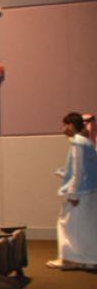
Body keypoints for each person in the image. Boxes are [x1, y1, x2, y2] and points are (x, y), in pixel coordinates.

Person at [49, 110, 97, 269]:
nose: (63, 129)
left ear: (70, 125)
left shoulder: (77, 142)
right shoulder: (87, 142)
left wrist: (73, 194)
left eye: (65, 125)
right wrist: (65, 173)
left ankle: (69, 259)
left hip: (80, 193)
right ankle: (89, 259)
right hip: (90, 191)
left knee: (68, 226)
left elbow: (78, 171)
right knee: (85, 227)